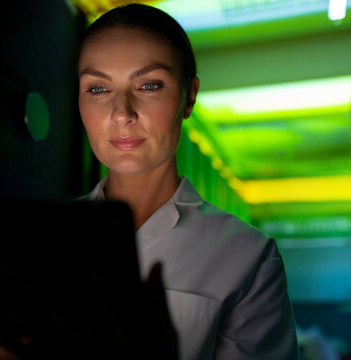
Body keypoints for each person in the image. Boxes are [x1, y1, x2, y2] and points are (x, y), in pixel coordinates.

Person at [77, 3, 299, 360]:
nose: (122, 113)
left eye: (148, 85)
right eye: (98, 89)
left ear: (189, 96)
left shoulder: (247, 257)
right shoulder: (35, 242)